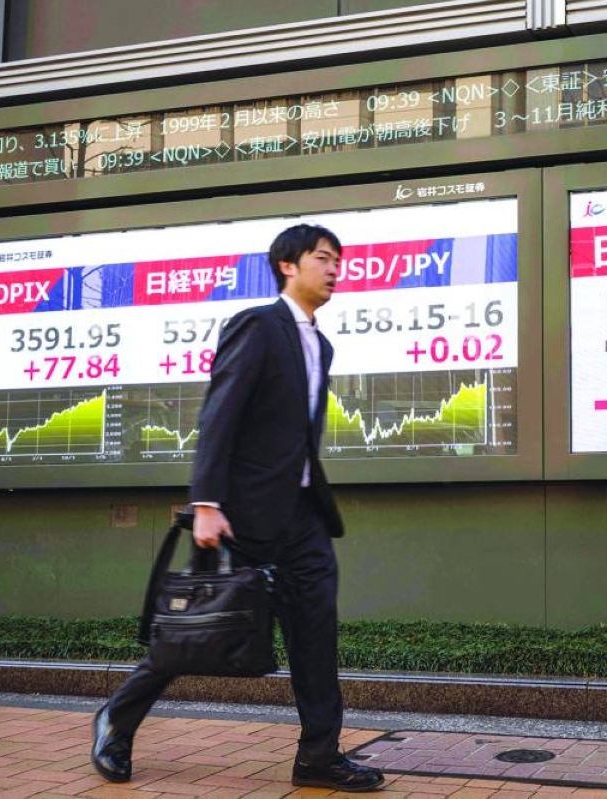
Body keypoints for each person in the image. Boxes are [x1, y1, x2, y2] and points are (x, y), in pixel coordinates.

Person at [92, 224, 385, 792]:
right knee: (201, 629)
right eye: (322, 258)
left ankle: (318, 758)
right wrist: (205, 502)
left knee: (316, 636)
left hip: (304, 518)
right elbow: (220, 413)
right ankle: (116, 720)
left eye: (338, 260)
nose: (334, 269)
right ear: (287, 266)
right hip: (244, 514)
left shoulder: (320, 343)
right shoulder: (259, 325)